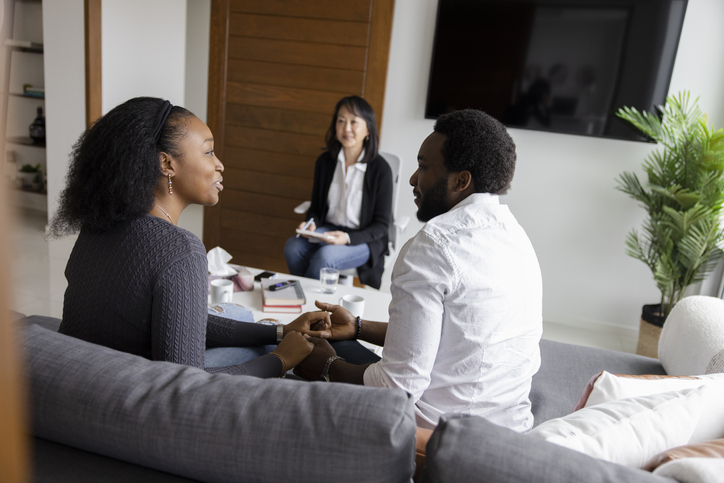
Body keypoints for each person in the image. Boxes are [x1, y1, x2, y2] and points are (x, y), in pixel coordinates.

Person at [295, 109, 543, 431]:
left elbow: (398, 388)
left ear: (460, 180)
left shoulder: (434, 246)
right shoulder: (515, 235)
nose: (413, 179)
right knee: (339, 343)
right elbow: (455, 339)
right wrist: (359, 327)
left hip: (438, 435)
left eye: (423, 167)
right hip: (510, 428)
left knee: (300, 363)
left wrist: (327, 366)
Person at [49, 96, 328, 378]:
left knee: (242, 317)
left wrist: (281, 330)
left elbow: (182, 321)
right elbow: (186, 386)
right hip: (126, 398)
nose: (220, 165)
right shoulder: (180, 250)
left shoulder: (99, 224)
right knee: (256, 340)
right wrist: (281, 359)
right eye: (208, 153)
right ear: (166, 163)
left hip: (78, 376)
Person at [283, 96, 393, 289]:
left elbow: (381, 226)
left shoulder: (380, 169)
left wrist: (347, 238)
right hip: (328, 230)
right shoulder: (325, 162)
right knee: (292, 247)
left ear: (368, 129)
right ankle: (306, 300)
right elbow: (316, 208)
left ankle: (305, 304)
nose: (346, 128)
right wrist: (311, 224)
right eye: (341, 121)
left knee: (324, 257)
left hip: (364, 239)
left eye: (354, 122)